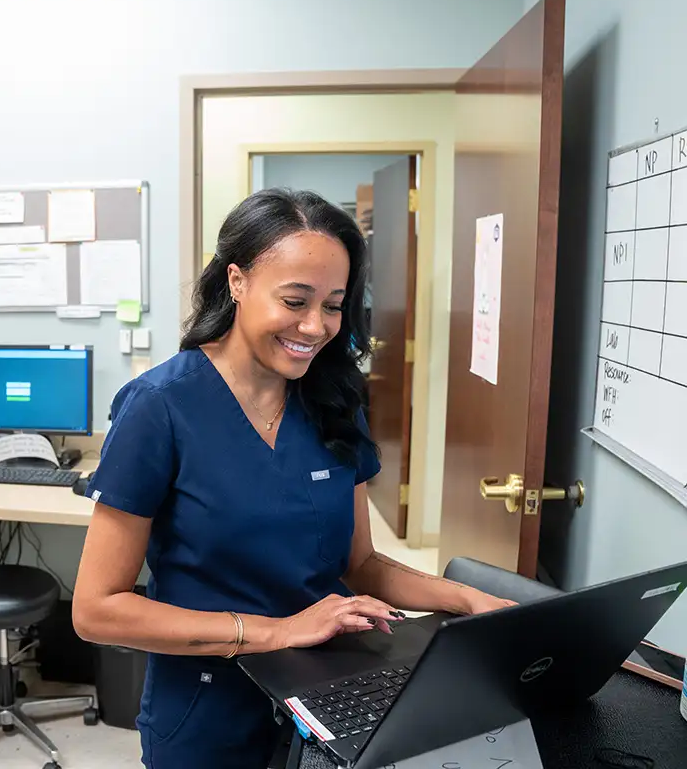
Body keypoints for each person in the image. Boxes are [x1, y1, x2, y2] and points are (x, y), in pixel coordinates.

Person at [72, 189, 513, 769]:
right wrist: (276, 632)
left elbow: (363, 566)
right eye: (295, 300)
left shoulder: (333, 400)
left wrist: (470, 601)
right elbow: (96, 610)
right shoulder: (161, 407)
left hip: (330, 700)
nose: (316, 326)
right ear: (237, 282)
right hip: (209, 711)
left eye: (334, 304)